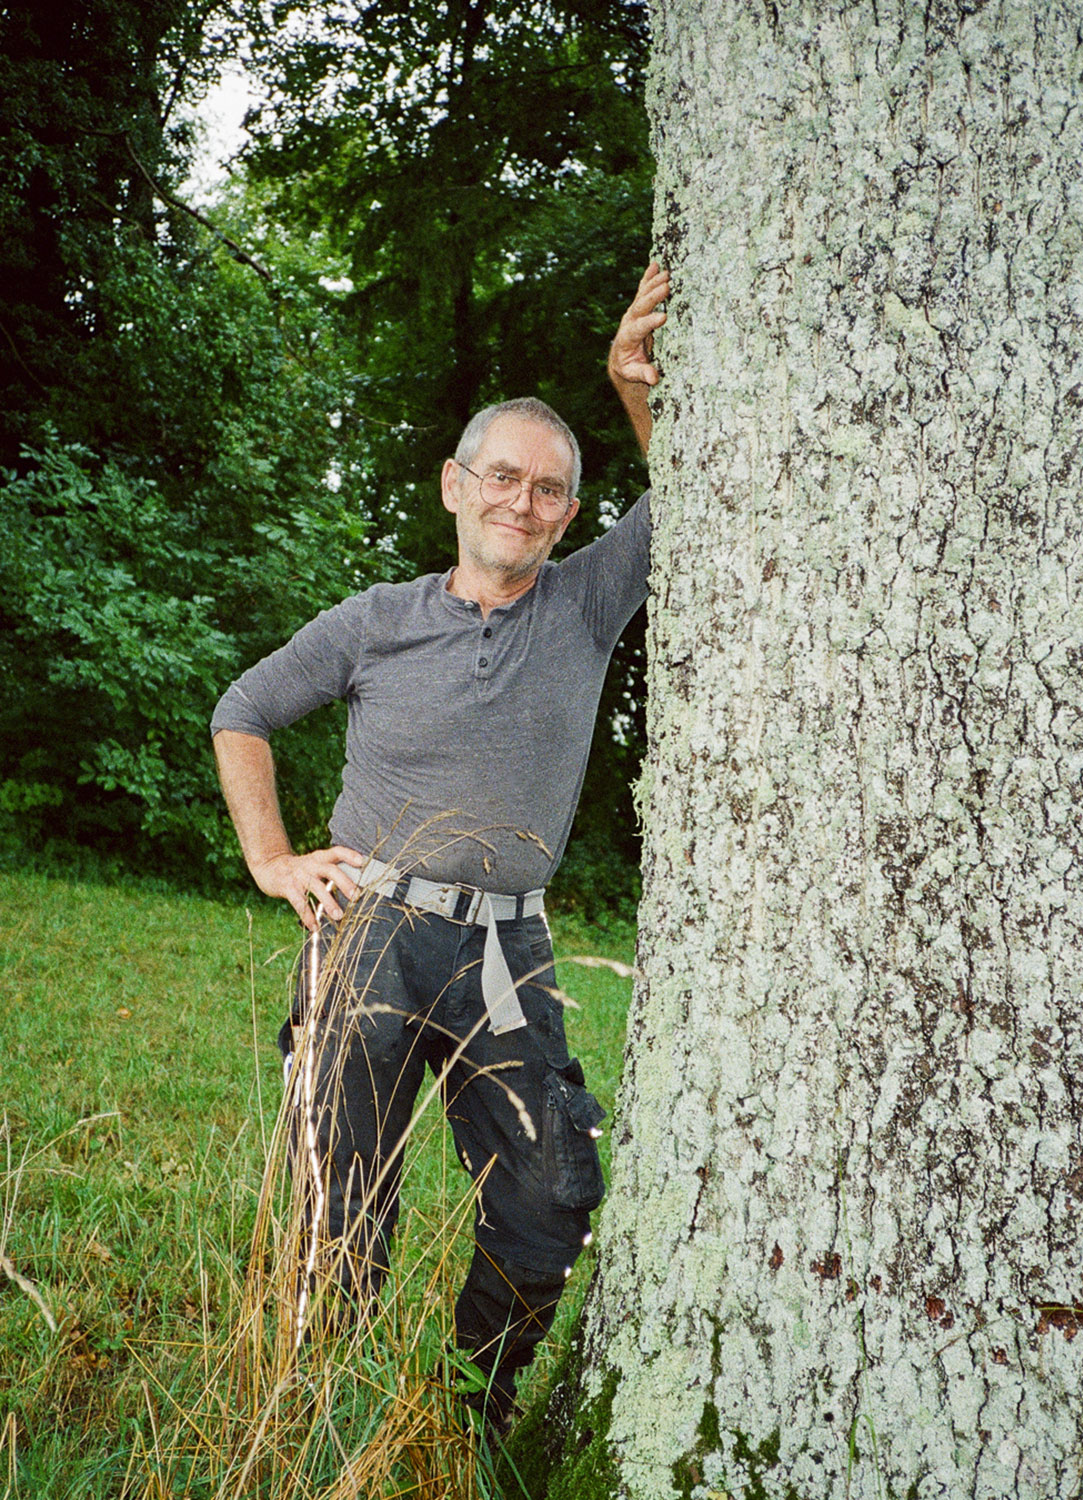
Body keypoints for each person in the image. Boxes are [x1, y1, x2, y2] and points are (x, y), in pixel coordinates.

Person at [210, 262, 670, 1432]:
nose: (525, 501)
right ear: (457, 486)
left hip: (506, 953)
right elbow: (243, 712)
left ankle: (472, 1408)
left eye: (551, 489)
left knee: (548, 1190)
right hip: (368, 933)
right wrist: (273, 862)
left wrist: (631, 386)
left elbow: (692, 498)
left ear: (569, 512)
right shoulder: (376, 621)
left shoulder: (584, 606)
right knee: (336, 1200)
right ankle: (315, 1412)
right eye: (503, 477)